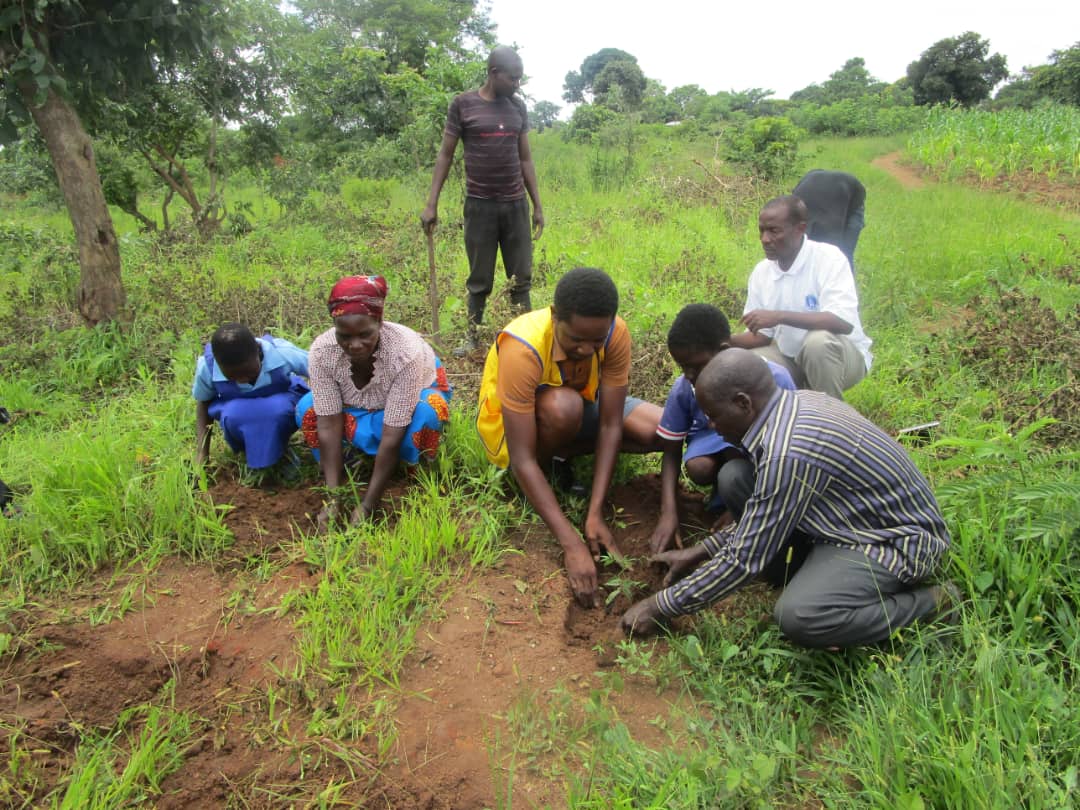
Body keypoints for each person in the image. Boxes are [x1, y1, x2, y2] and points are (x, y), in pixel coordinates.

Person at [622, 349, 956, 649]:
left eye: (713, 414)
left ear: (743, 402)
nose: (709, 423)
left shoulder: (789, 452)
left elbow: (744, 560)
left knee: (801, 616)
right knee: (736, 478)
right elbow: (767, 509)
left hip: (891, 541)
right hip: (842, 519)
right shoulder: (793, 406)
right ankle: (805, 572)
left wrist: (660, 605)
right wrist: (703, 550)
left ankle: (934, 602)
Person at [476, 267, 662, 607]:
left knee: (659, 430)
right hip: (518, 432)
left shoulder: (615, 333)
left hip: (581, 408)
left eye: (597, 340)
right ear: (555, 316)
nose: (587, 349)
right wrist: (572, 544)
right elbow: (522, 458)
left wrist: (594, 513)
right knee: (564, 407)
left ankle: (564, 457)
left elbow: (610, 425)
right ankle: (547, 471)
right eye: (576, 339)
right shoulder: (523, 345)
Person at [296, 275, 452, 530]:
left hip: (409, 402)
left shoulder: (404, 352)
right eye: (344, 336)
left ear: (379, 322)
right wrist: (334, 500)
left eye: (365, 334)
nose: (354, 345)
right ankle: (343, 470)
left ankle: (412, 473)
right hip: (357, 407)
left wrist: (368, 504)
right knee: (308, 409)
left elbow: (392, 432)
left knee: (427, 412)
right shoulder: (323, 352)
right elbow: (327, 424)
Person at [421, 45, 544, 356]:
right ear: (493, 74)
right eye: (512, 79)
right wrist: (431, 204)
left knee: (521, 278)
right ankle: (472, 337)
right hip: (480, 206)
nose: (517, 85)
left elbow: (526, 159)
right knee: (479, 278)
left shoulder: (517, 108)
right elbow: (445, 154)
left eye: (520, 79)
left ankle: (526, 339)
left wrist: (538, 205)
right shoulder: (463, 105)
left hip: (515, 205)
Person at [647, 304, 796, 554]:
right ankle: (722, 494)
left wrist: (738, 512)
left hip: (760, 452)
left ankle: (737, 501)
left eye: (696, 366)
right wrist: (668, 512)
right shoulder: (685, 387)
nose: (690, 375)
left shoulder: (773, 380)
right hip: (712, 441)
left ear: (724, 351)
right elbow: (671, 451)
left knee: (735, 459)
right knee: (700, 467)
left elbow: (784, 455)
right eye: (683, 367)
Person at [731, 195, 872, 400]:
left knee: (818, 343)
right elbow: (762, 336)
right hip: (792, 359)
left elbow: (842, 322)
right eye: (762, 230)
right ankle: (779, 424)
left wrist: (778, 316)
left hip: (843, 358)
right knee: (745, 363)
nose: (765, 239)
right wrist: (723, 342)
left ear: (800, 228)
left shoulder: (829, 259)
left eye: (774, 231)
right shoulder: (762, 273)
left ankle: (830, 421)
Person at [193, 323, 309, 472]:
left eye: (249, 372)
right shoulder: (207, 367)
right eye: (232, 376)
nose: (242, 380)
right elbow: (203, 403)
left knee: (277, 409)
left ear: (258, 350)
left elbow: (321, 371)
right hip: (239, 412)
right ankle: (249, 450)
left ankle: (281, 449)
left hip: (282, 406)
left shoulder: (281, 352)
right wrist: (202, 454)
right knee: (233, 413)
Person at [793, 169, 866, 273]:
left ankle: (846, 286)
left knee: (843, 256)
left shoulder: (831, 220)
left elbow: (835, 249)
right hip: (817, 187)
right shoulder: (795, 206)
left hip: (854, 198)